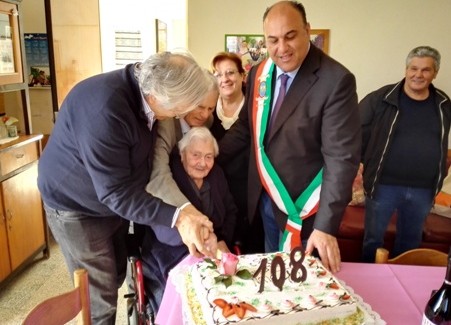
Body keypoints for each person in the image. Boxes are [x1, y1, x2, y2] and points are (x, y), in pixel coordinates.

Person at [37, 51, 217, 323]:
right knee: (100, 292)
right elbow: (115, 193)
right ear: (158, 97)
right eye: (180, 109)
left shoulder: (148, 94)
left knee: (117, 271)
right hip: (75, 205)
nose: (182, 114)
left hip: (110, 200)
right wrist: (178, 217)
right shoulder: (105, 110)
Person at [218, 1, 361, 273]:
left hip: (304, 211)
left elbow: (341, 159)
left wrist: (326, 226)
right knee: (271, 275)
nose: (281, 49)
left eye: (290, 36)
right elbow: (247, 127)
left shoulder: (335, 80)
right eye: (272, 40)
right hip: (262, 198)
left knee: (301, 287)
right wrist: (212, 153)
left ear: (307, 30)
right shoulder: (260, 71)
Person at [360, 46, 451, 263]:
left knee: (410, 242)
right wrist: (359, 162)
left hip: (423, 189)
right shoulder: (381, 98)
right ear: (406, 69)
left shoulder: (443, 104)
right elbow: (354, 130)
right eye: (414, 68)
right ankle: (369, 286)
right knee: (373, 241)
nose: (418, 75)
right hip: (383, 186)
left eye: (426, 70)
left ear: (435, 73)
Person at [141, 126, 237, 312]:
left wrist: (224, 239)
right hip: (171, 250)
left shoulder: (216, 175)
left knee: (229, 293)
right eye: (196, 155)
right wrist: (200, 243)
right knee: (190, 298)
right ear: (182, 154)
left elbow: (231, 211)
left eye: (209, 156)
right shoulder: (169, 178)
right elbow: (160, 224)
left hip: (213, 252)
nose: (202, 163)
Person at [210, 51, 264, 253]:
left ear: (242, 76)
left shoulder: (256, 106)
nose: (224, 79)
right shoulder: (207, 107)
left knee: (251, 248)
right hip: (218, 189)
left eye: (230, 72)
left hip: (249, 190)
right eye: (218, 74)